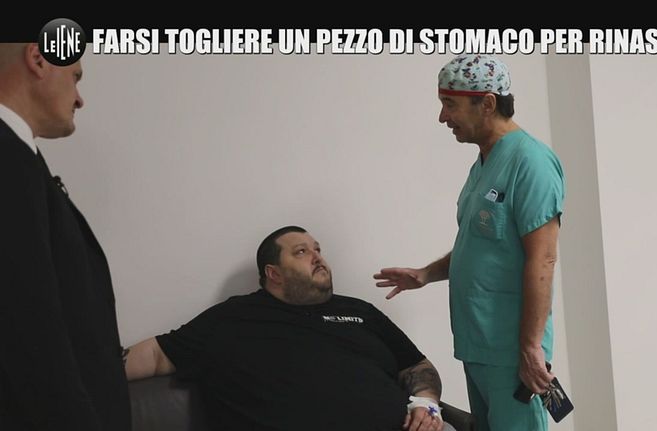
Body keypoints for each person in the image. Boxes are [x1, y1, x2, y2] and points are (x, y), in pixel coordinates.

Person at [374, 54, 565, 431]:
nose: (442, 117)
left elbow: (543, 260)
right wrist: (425, 274)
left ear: (487, 103)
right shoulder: (483, 164)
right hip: (477, 341)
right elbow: (480, 245)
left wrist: (530, 348)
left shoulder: (531, 163)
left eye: (450, 104)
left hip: (510, 349)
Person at [125, 226, 449, 431]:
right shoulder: (234, 318)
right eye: (302, 252)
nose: (317, 257)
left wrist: (427, 404)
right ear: (274, 274)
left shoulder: (360, 311)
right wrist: (98, 365)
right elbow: (156, 355)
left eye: (318, 249)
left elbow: (417, 365)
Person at [0, 44, 131, 429]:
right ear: (38, 59)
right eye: (75, 77)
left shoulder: (23, 160)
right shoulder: (8, 161)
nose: (79, 98)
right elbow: (29, 332)